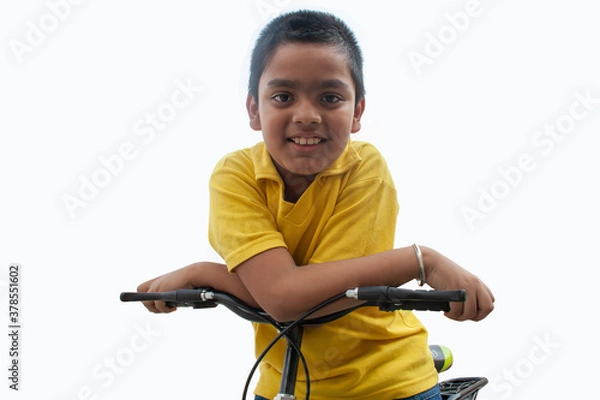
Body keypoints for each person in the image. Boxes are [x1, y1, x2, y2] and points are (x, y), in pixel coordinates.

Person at [136, 9, 495, 400]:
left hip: (390, 384)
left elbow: (294, 299)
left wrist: (423, 260)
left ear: (356, 111)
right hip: (282, 383)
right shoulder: (236, 176)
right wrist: (419, 261)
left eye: (329, 97)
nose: (306, 116)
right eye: (283, 96)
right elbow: (285, 296)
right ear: (255, 110)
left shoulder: (365, 170)